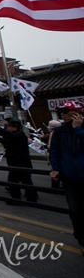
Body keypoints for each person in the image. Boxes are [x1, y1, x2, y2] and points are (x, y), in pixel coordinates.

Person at [49, 101, 84, 254]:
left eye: (67, 113)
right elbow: (55, 151)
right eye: (62, 113)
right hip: (69, 177)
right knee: (75, 210)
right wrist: (56, 169)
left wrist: (78, 129)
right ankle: (81, 238)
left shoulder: (81, 129)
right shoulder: (60, 131)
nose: (63, 116)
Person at [0, 119, 38, 204]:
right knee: (24, 181)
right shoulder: (13, 135)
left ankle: (17, 199)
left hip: (19, 162)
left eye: (9, 126)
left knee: (15, 181)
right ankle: (31, 198)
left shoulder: (19, 135)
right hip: (16, 161)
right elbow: (2, 140)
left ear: (15, 127)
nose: (7, 128)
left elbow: (6, 134)